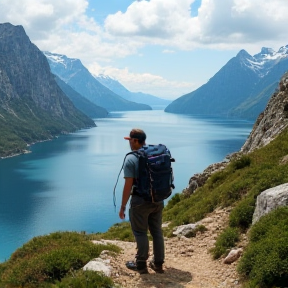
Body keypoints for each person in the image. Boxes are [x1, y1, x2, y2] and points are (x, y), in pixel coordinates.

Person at [119, 128, 165, 274]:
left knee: (140, 232)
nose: (129, 143)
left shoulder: (131, 159)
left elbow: (128, 186)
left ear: (136, 141)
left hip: (140, 201)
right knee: (157, 231)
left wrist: (122, 206)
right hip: (158, 199)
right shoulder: (156, 154)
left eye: (130, 140)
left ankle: (141, 264)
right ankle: (158, 264)